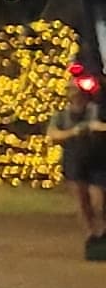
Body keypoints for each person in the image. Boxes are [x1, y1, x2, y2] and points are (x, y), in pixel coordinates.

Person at [64, 90, 106, 259]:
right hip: (76, 162)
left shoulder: (98, 112)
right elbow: (53, 134)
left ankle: (102, 231)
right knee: (82, 201)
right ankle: (91, 234)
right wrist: (73, 132)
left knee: (100, 201)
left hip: (98, 161)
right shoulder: (63, 116)